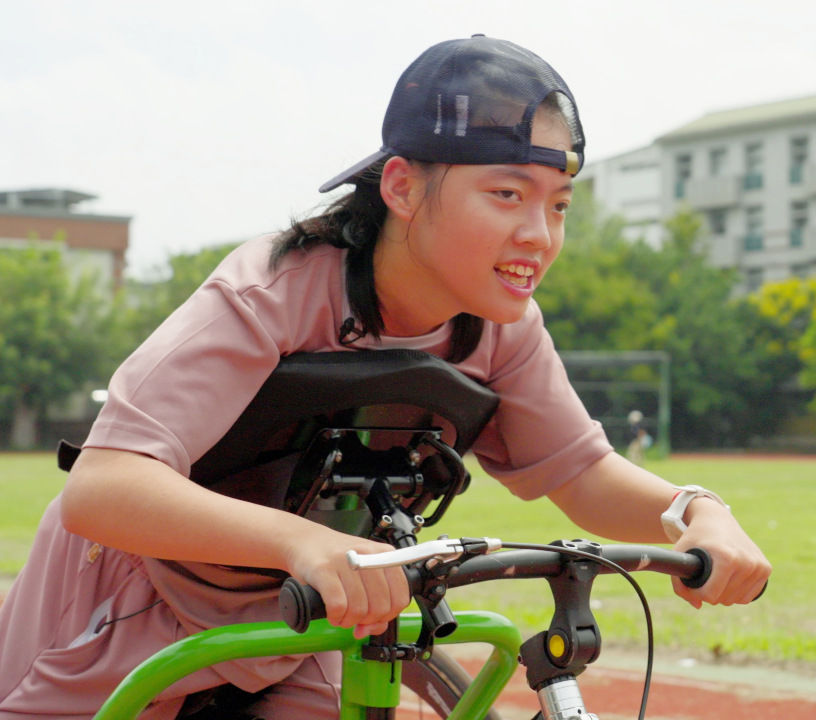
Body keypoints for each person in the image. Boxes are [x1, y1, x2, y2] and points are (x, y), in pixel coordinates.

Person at [0, 35, 770, 719]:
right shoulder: (273, 293)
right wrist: (301, 543)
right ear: (400, 188)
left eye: (559, 205)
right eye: (507, 194)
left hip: (303, 625)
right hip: (127, 616)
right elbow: (103, 487)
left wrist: (693, 511)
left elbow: (581, 471)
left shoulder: (502, 325)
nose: (538, 235)